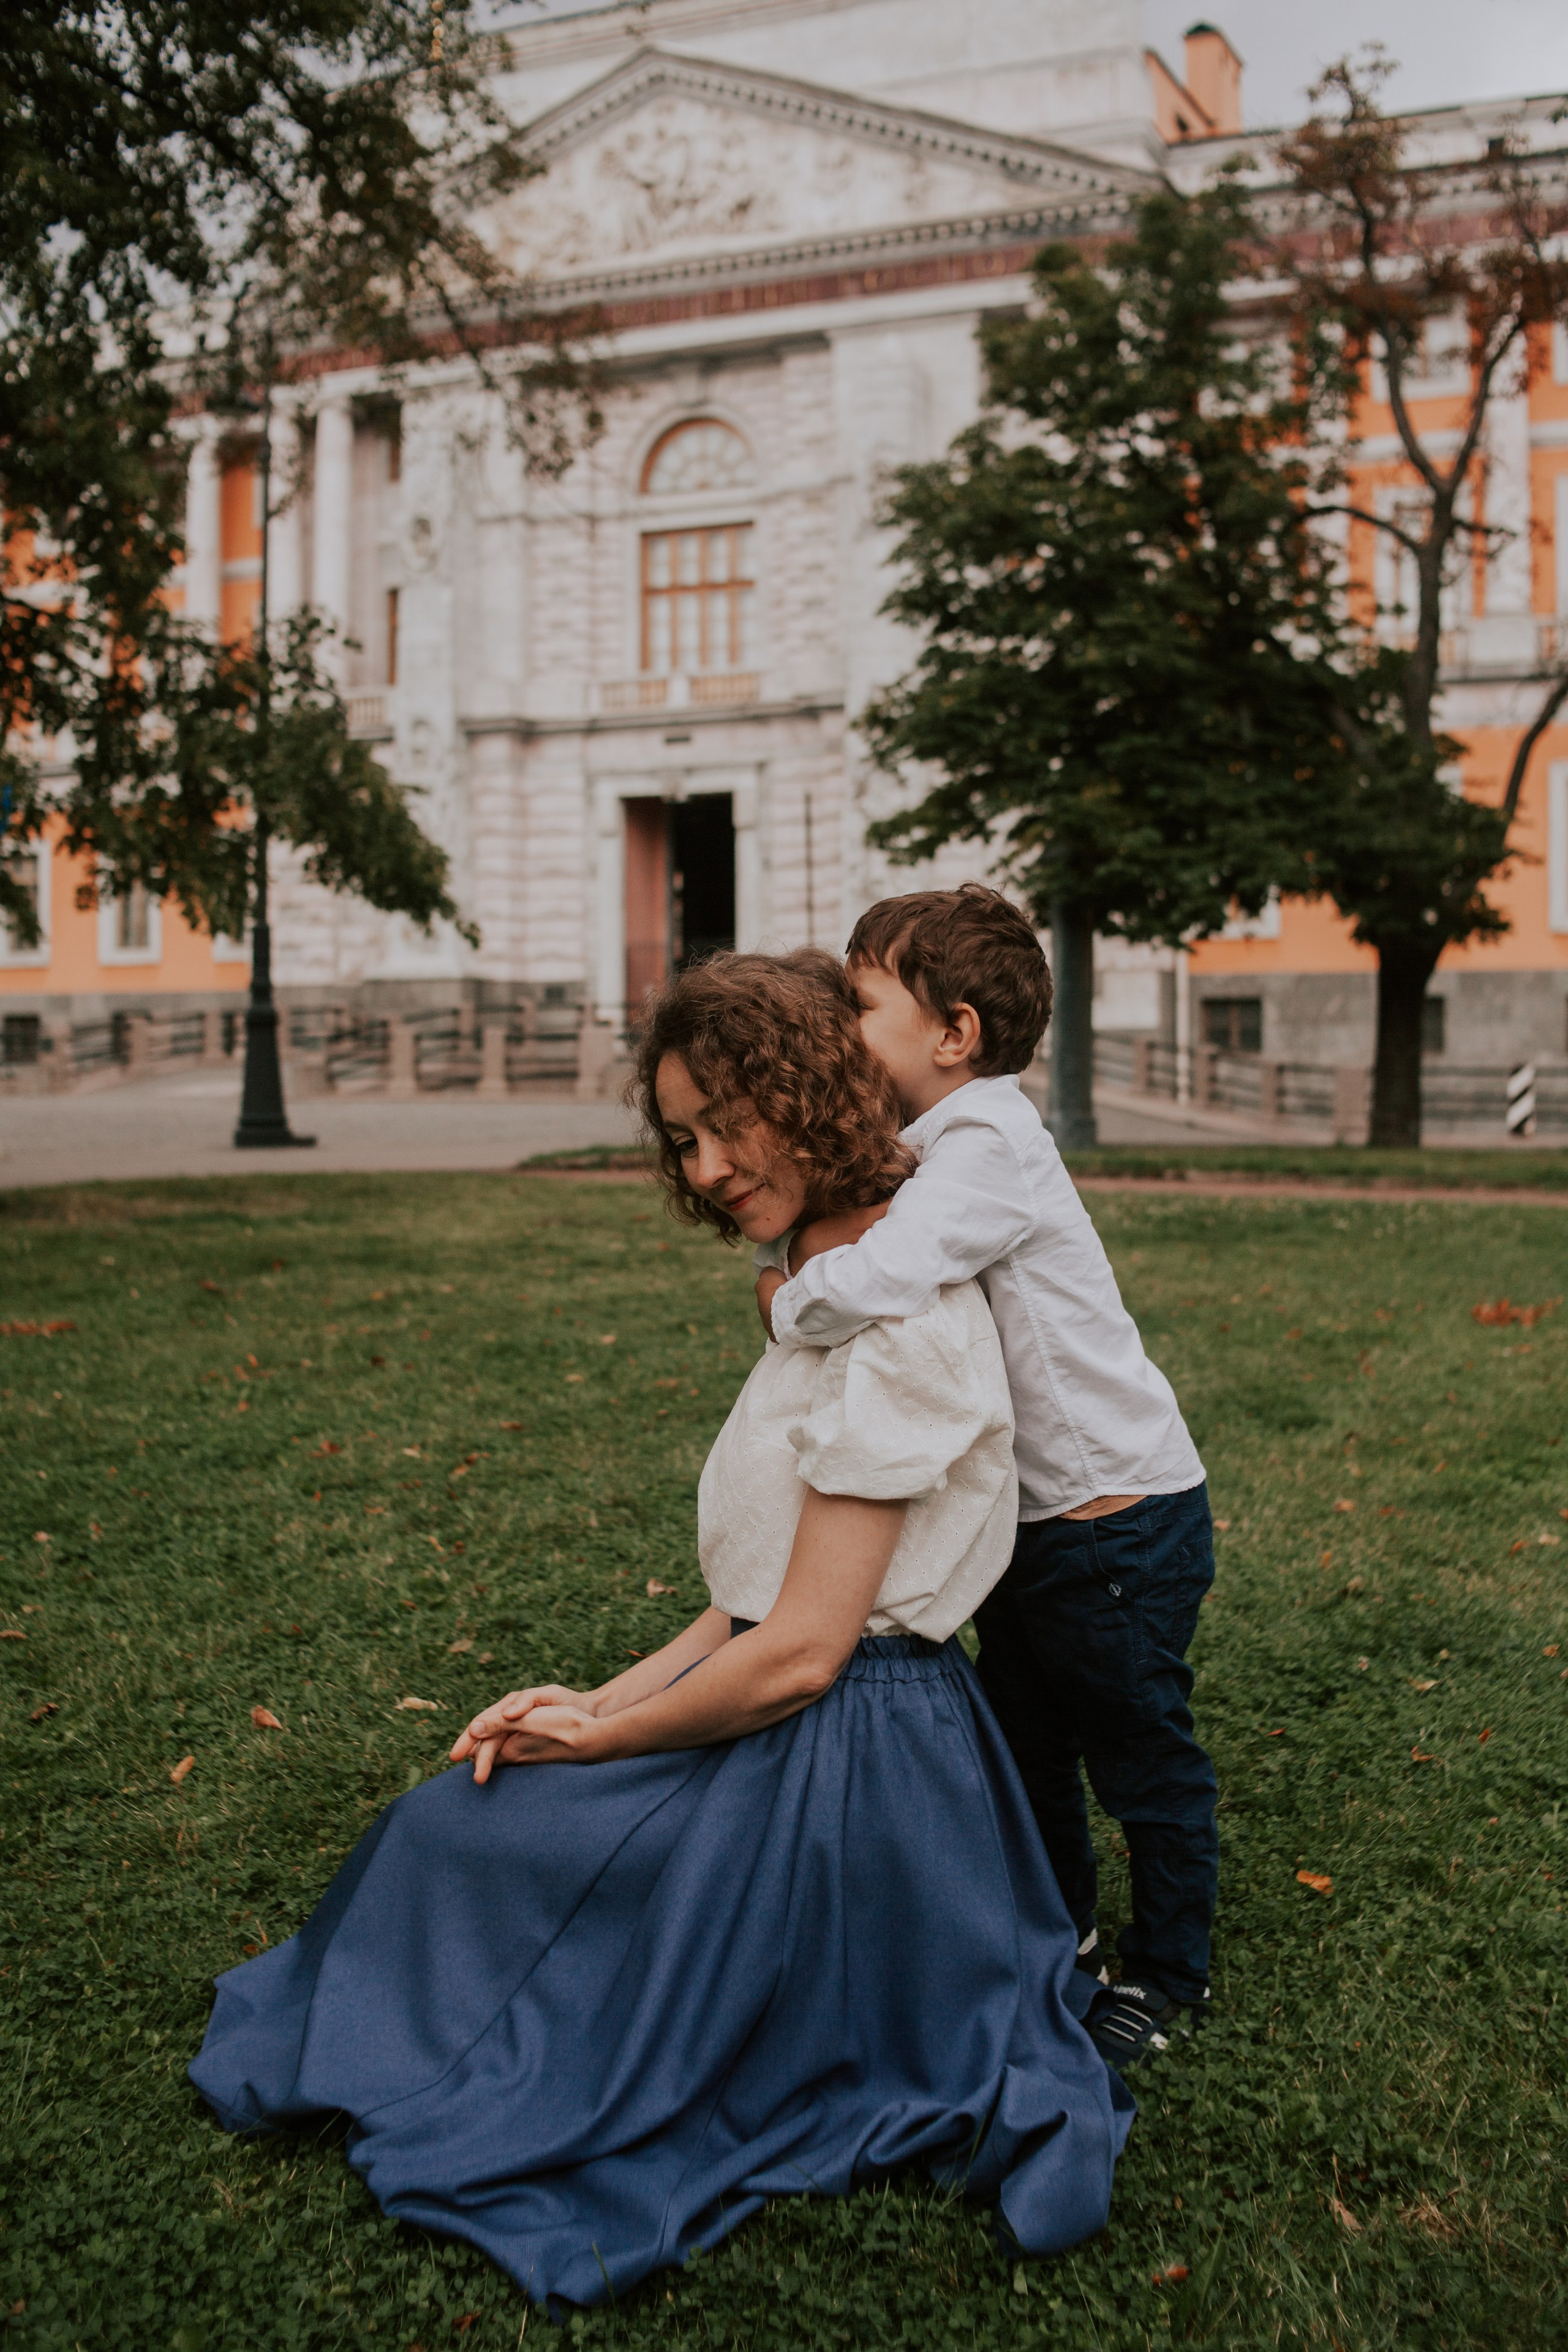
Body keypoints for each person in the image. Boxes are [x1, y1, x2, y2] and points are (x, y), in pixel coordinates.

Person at [188, 948, 1132, 2314]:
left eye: (723, 1125)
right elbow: (740, 1604)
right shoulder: (832, 1283)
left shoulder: (897, 1322)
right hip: (790, 1706)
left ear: (808, 1091)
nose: (702, 1169)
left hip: (846, 1767)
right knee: (457, 1817)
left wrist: (599, 1744)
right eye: (681, 1139)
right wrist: (581, 1698)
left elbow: (804, 1649)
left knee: (480, 1844)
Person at [755, 888, 1217, 2068]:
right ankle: (1058, 1937)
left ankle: (1170, 1973)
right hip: (1039, 1528)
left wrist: (784, 1302)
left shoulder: (990, 1144)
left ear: (953, 1033)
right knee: (1026, 1744)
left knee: (1138, 1753)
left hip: (1115, 1523)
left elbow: (892, 1270)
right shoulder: (941, 1144)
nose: (845, 1027)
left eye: (862, 1003)